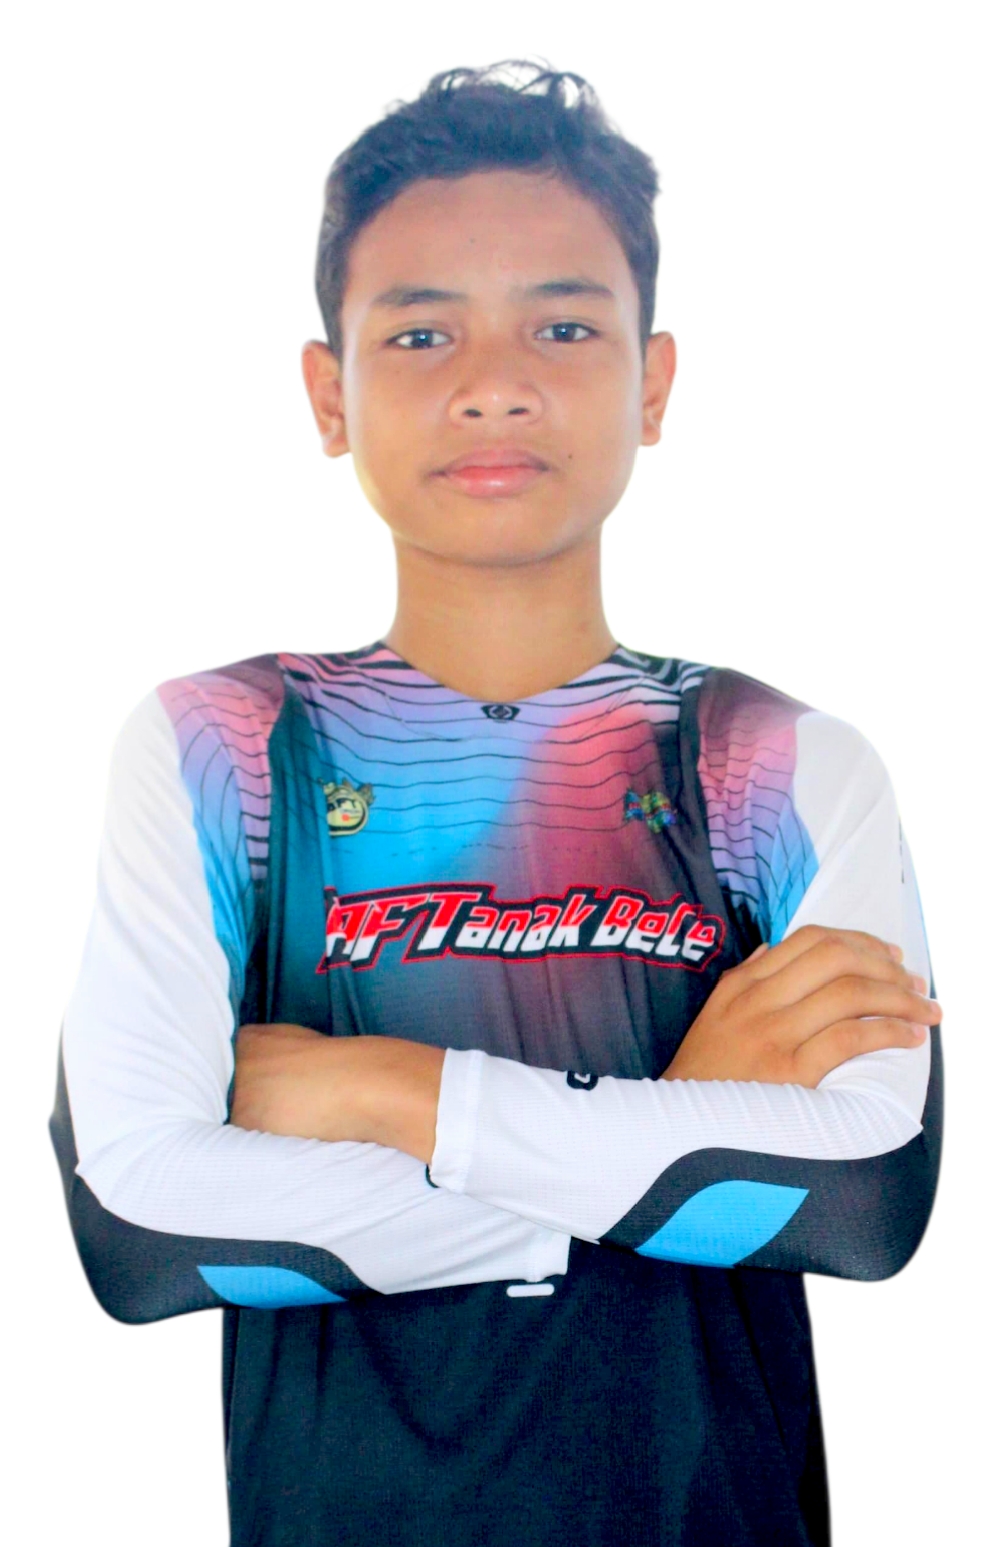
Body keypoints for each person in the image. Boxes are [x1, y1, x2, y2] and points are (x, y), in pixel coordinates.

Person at [50, 59, 943, 1547]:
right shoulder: (225, 746)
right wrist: (679, 1135)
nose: (495, 381)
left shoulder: (774, 758)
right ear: (329, 394)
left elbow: (859, 1201)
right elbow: (143, 1229)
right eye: (420, 330)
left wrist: (375, 1094)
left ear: (652, 382)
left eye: (564, 324)